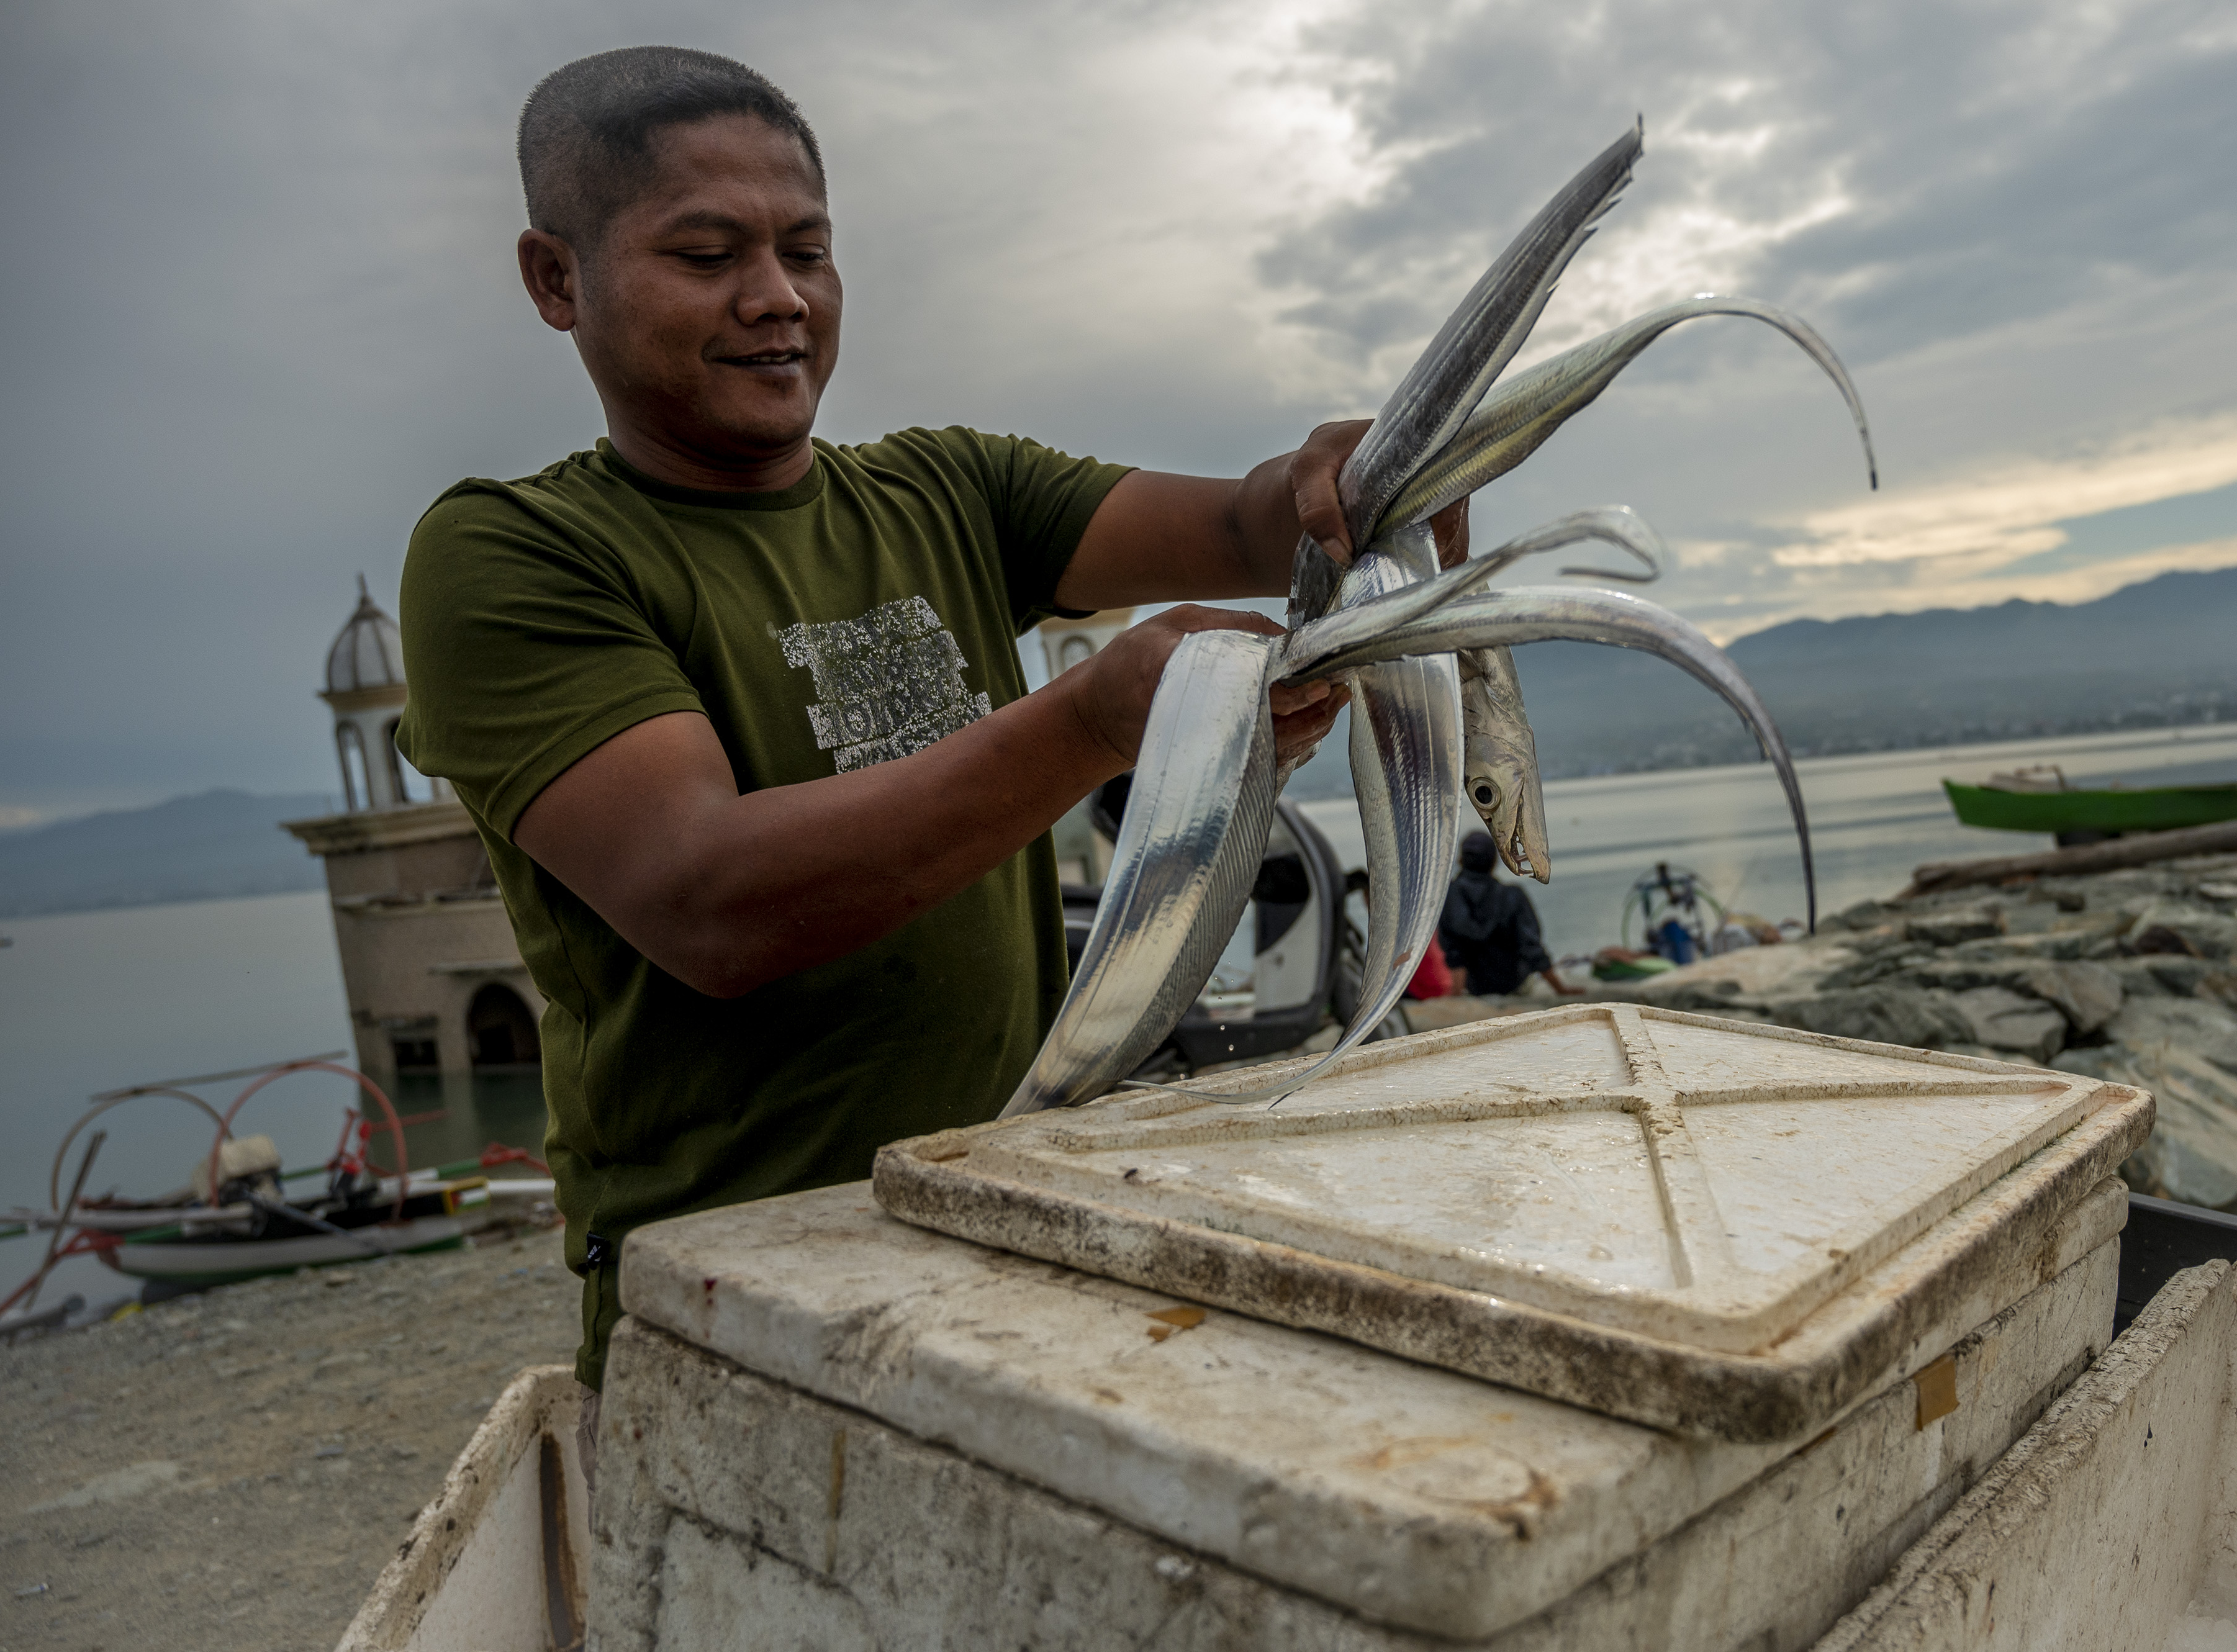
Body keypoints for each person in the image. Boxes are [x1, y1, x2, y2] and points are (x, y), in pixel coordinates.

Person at [394, 46, 1469, 1398]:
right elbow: (706, 897)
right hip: (728, 1293)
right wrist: (1094, 717)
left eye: (806, 249)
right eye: (706, 252)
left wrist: (1346, 478)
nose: (776, 298)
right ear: (558, 280)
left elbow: (1247, 524)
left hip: (997, 1222)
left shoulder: (945, 490)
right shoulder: (512, 553)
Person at [1437, 831, 1583, 998]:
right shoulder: (1513, 895)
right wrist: (1560, 989)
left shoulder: (1449, 895)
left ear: (1460, 860)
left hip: (1474, 987)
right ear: (1494, 861)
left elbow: (1455, 951)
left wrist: (1456, 996)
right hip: (1515, 984)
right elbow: (1531, 947)